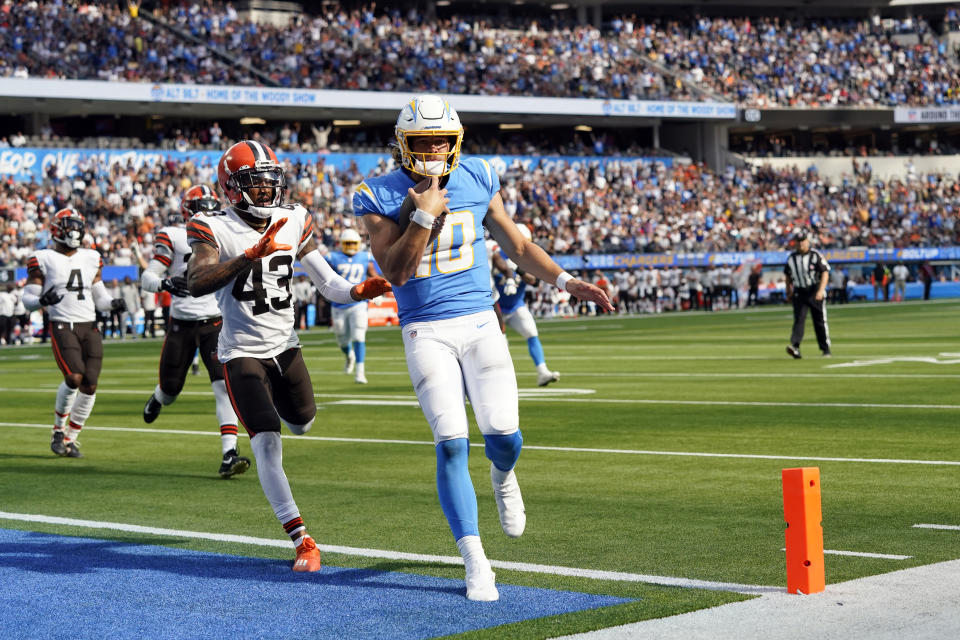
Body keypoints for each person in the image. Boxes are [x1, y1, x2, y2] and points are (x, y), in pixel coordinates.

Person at [355, 95, 613, 601]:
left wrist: (567, 281)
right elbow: (398, 272)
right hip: (424, 329)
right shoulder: (377, 194)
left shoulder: (477, 176)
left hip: (479, 323)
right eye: (422, 143)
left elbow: (517, 247)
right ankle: (475, 560)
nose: (432, 152)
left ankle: (503, 474)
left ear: (456, 144)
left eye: (440, 142)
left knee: (503, 435)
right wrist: (421, 217)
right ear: (402, 146)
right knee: (451, 440)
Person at [186, 140, 390, 572]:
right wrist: (247, 256)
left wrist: (356, 292)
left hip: (286, 347)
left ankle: (278, 411)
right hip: (240, 351)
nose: (265, 191)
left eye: (268, 182)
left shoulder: (294, 218)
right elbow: (199, 281)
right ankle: (302, 539)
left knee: (303, 422)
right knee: (267, 442)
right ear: (232, 186)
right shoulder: (211, 226)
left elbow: (328, 282)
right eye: (254, 183)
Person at [141, 186, 251, 478]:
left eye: (208, 206)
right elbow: (148, 276)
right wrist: (164, 284)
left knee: (223, 386)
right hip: (181, 324)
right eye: (198, 208)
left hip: (214, 322)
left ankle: (230, 453)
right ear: (186, 212)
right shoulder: (174, 235)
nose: (204, 213)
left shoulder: (223, 231)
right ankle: (158, 397)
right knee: (170, 389)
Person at [23, 208, 125, 457]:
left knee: (90, 385)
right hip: (62, 323)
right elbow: (28, 299)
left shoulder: (91, 257)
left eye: (78, 225)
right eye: (70, 225)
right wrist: (41, 301)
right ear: (57, 229)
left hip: (89, 325)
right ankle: (58, 430)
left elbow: (99, 296)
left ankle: (71, 438)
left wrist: (112, 304)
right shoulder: (43, 257)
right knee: (74, 378)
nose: (75, 230)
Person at [489, 225, 560, 386]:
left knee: (531, 331)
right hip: (494, 307)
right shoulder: (496, 253)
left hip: (515, 305)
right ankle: (499, 381)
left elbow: (533, 281)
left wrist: (518, 270)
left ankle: (542, 371)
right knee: (499, 345)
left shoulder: (527, 258)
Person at [325, 228, 379, 384]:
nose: (350, 246)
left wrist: (379, 289)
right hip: (339, 302)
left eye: (352, 243)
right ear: (341, 243)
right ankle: (349, 355)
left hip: (359, 302)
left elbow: (373, 275)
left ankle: (360, 372)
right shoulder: (332, 257)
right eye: (347, 243)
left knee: (358, 334)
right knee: (342, 339)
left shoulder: (364, 257)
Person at [784, 231, 831, 359]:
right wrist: (788, 291)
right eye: (798, 242)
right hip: (799, 291)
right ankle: (795, 347)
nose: (800, 244)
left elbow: (825, 272)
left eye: (802, 241)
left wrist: (821, 290)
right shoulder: (791, 258)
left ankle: (825, 349)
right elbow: (788, 276)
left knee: (819, 321)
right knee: (799, 320)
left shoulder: (815, 255)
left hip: (814, 290)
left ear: (807, 241)